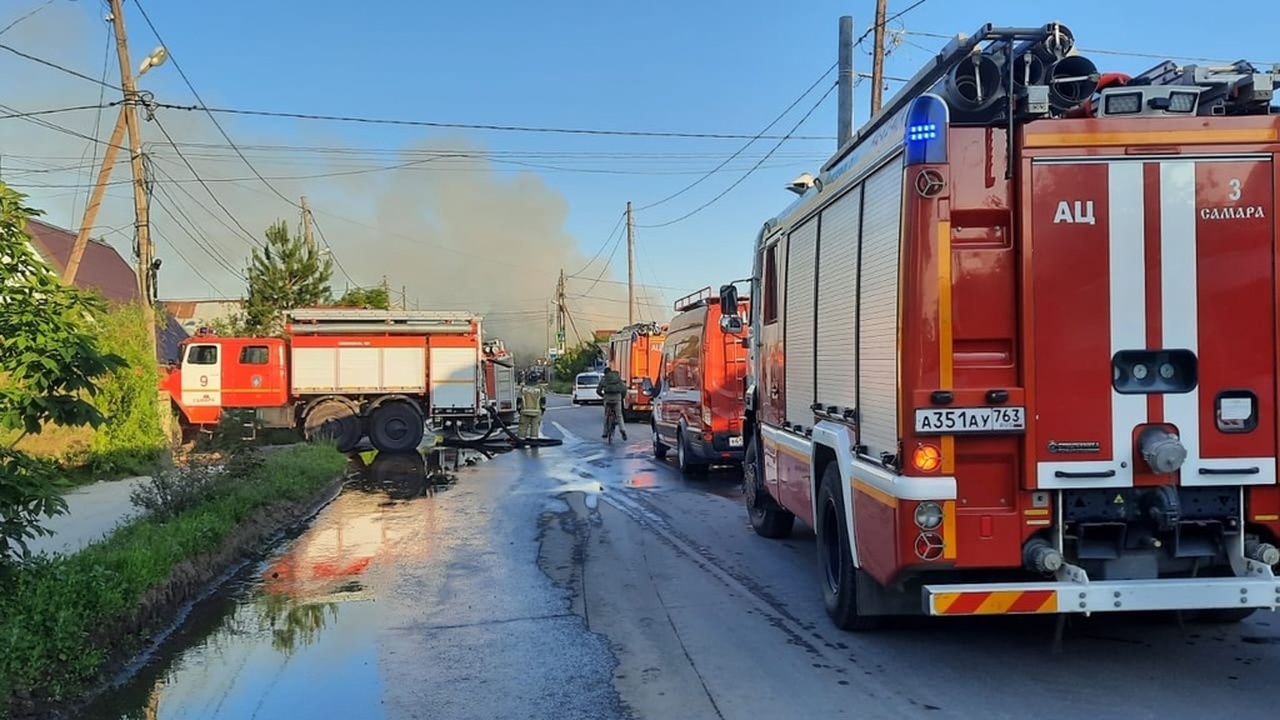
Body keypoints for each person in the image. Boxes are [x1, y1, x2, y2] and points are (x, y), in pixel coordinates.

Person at [596, 366, 628, 441]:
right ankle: (622, 430)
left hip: (607, 398)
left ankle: (604, 433)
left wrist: (603, 396)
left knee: (606, 415)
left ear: (605, 373)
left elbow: (598, 390)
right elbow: (624, 389)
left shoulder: (604, 379)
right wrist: (622, 397)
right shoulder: (618, 378)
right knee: (619, 415)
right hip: (617, 398)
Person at [518, 376, 545, 440]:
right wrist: (542, 409)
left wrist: (519, 409)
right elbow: (543, 400)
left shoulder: (523, 388)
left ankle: (521, 440)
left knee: (523, 427)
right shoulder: (540, 389)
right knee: (535, 427)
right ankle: (534, 441)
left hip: (525, 411)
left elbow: (519, 399)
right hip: (536, 411)